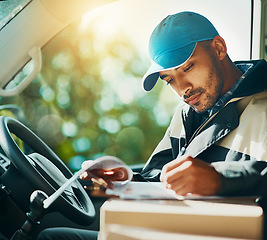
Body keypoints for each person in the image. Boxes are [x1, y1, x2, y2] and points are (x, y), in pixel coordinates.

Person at [37, 11, 267, 240]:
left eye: (187, 68)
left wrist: (220, 178)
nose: (182, 89)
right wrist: (125, 180)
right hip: (170, 228)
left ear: (218, 48)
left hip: (222, 234)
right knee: (51, 236)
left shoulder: (263, 107)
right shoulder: (187, 112)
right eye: (169, 80)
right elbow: (157, 177)